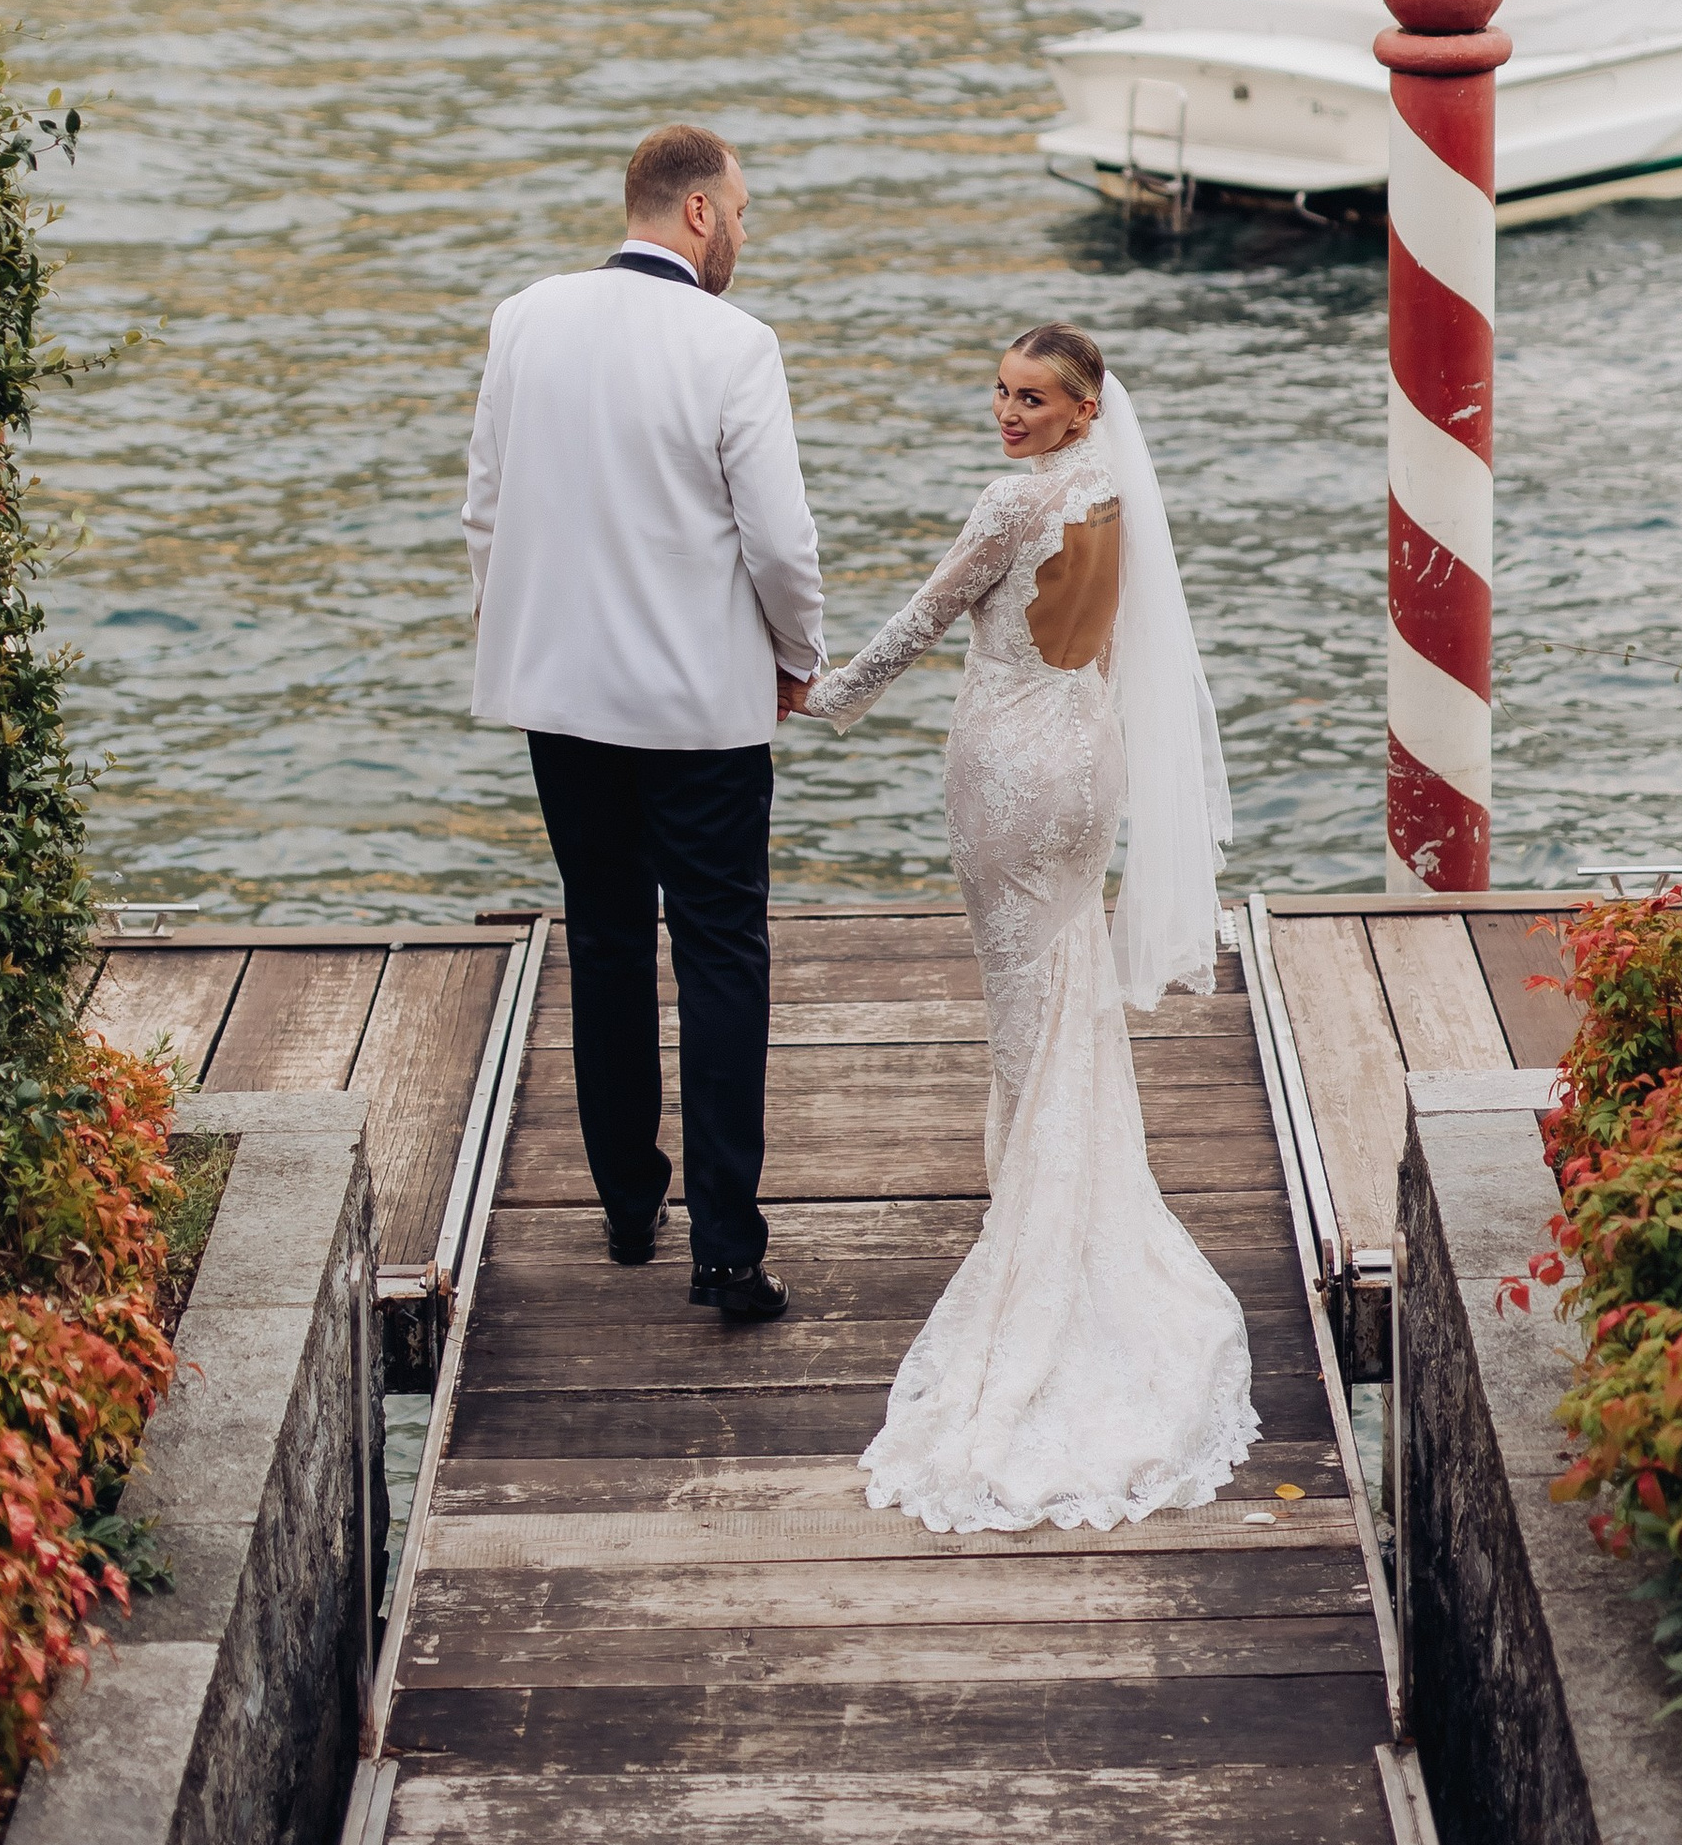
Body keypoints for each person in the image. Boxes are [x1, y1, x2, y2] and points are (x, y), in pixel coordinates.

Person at [801, 322, 1254, 1530]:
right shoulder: (1116, 495)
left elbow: (920, 620)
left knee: (1021, 991)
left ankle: (1037, 1216)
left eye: (1033, 396)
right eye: (1001, 391)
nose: (1007, 411)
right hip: (1085, 758)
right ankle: (1053, 1178)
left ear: (1082, 408)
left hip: (1009, 767)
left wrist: (821, 694)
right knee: (1065, 978)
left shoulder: (1014, 502)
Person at [463, 124, 822, 1324]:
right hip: (698, 709)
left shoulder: (525, 317)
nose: (742, 232)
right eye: (743, 209)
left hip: (560, 699)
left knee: (607, 938)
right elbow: (776, 539)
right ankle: (723, 1246)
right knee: (720, 954)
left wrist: (511, 639)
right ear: (702, 214)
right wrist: (797, 654)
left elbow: (487, 507)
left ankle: (628, 1204)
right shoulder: (734, 343)